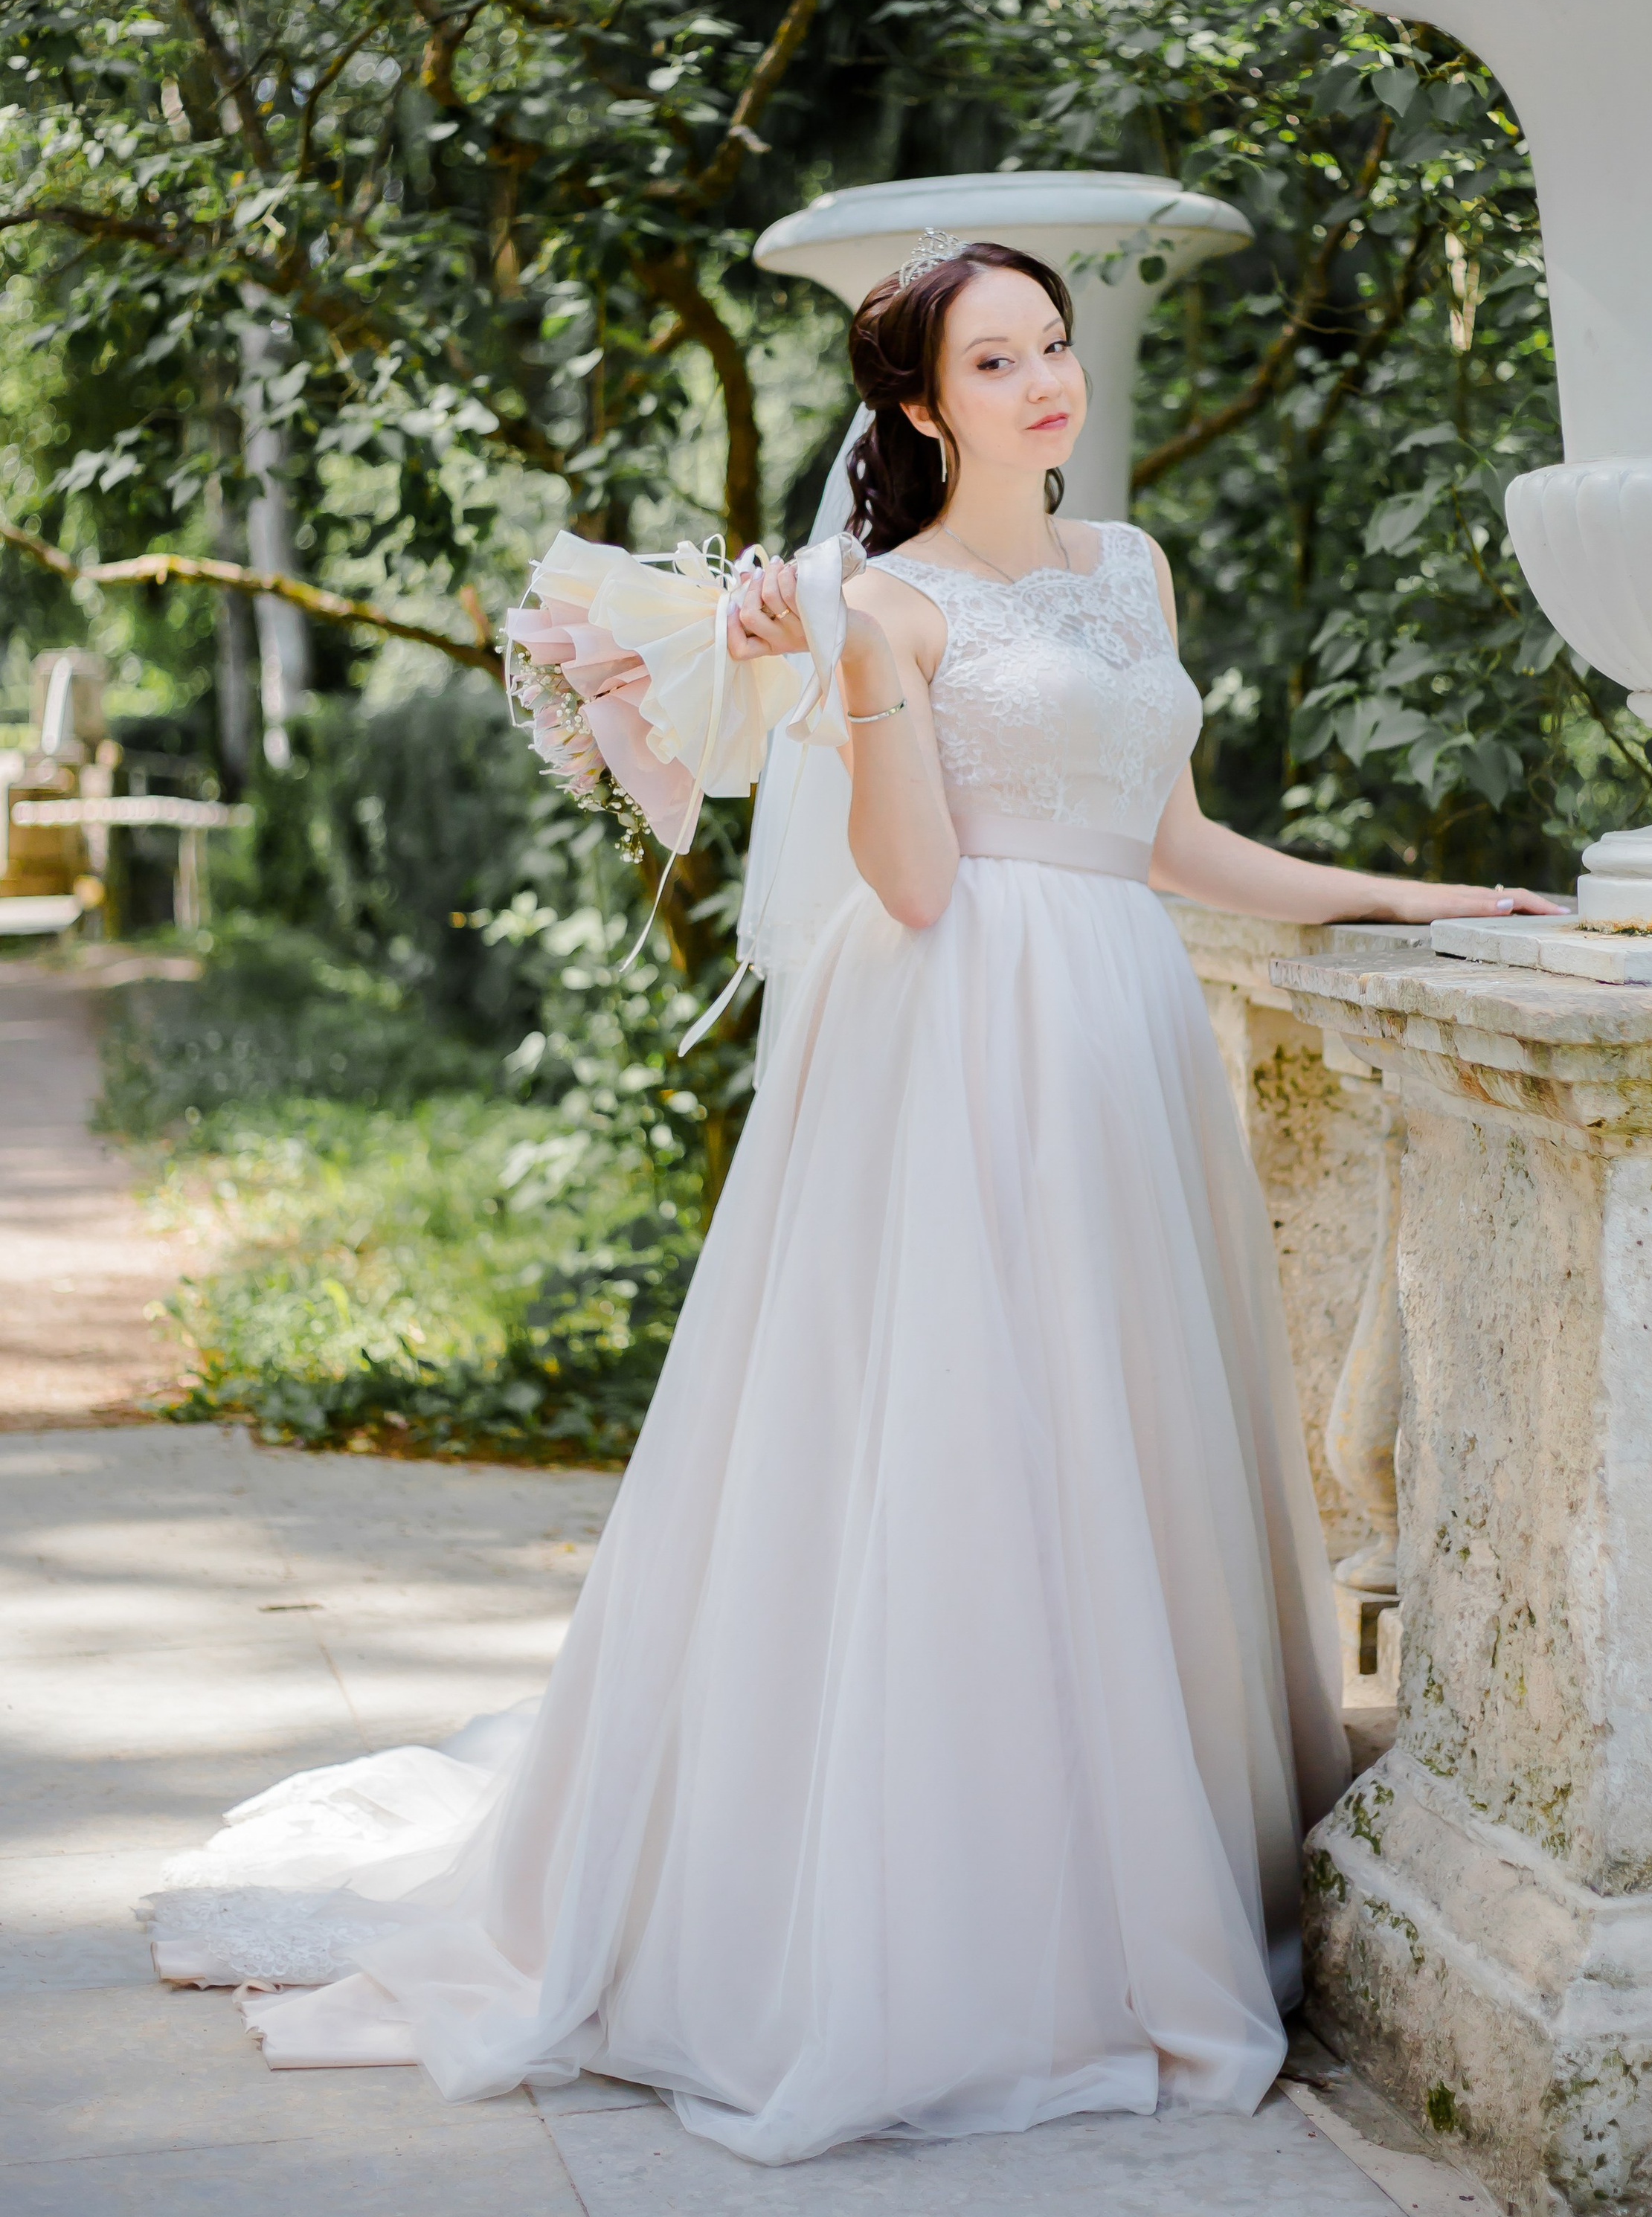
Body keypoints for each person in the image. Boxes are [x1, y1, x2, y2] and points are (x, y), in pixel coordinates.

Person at [142, 239, 1559, 2166]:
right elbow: (906, 886)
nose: (1048, 381)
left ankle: (1146, 1863)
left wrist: (1422, 899)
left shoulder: (1129, 567)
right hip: (967, 1045)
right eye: (1000, 359)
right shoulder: (873, 603)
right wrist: (870, 674)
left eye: (1054, 345)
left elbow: (1171, 840)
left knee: (1125, 1448)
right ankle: (980, 1928)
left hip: (1128, 1037)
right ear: (917, 403)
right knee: (973, 1457)